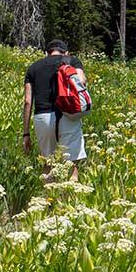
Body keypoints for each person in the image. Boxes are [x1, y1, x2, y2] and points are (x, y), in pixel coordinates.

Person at [24, 40, 88, 181]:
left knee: (48, 164)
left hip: (42, 117)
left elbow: (28, 101)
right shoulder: (71, 61)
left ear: (47, 53)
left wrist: (26, 133)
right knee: (71, 165)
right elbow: (81, 80)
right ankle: (69, 198)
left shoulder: (33, 68)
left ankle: (49, 200)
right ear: (66, 52)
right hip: (67, 115)